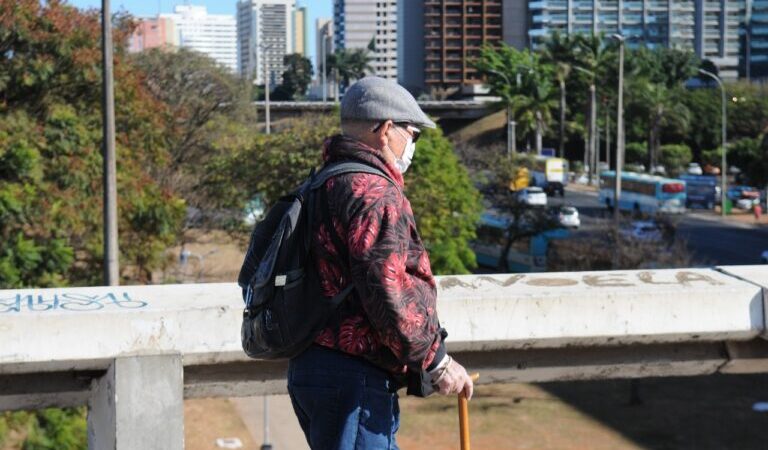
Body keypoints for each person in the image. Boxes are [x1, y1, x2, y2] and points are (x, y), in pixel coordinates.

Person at [286, 76, 474, 450]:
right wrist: (437, 362)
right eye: (413, 134)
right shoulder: (374, 193)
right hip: (352, 378)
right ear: (387, 130)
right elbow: (387, 289)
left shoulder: (323, 182)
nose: (413, 145)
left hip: (313, 367)